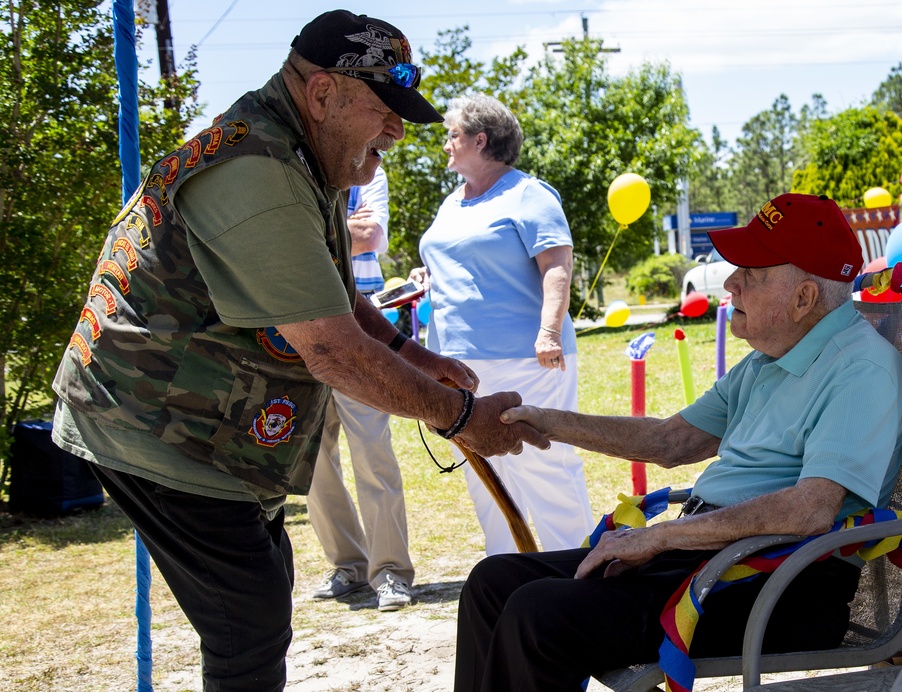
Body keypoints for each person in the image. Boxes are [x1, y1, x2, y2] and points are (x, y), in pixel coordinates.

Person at [48, 10, 545, 690]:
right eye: (386, 110)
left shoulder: (299, 153)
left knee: (261, 596)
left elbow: (326, 290)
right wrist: (459, 416)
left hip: (203, 423)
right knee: (247, 622)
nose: (397, 132)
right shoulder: (256, 170)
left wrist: (409, 350)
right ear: (322, 95)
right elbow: (332, 350)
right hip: (150, 419)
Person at [454, 193, 902, 692]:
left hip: (781, 583)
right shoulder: (772, 358)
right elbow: (670, 440)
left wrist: (660, 536)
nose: (731, 282)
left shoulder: (860, 368)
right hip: (714, 559)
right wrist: (546, 421)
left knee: (538, 613)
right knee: (493, 584)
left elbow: (809, 511)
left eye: (752, 273)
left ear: (803, 299)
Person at [409, 93, 592, 555]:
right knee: (481, 470)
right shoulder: (452, 202)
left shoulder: (530, 194)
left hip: (527, 359)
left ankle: (573, 571)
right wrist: (428, 276)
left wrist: (549, 330)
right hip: (456, 365)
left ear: (480, 139)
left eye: (453, 135)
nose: (446, 144)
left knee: (543, 465)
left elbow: (557, 267)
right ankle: (508, 571)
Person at [308, 166, 416, 611]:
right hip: (304, 329)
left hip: (360, 330)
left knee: (372, 449)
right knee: (312, 457)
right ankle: (347, 564)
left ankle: (391, 571)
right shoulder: (292, 167)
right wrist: (333, 233)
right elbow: (278, 245)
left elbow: (369, 235)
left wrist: (310, 233)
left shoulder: (367, 170)